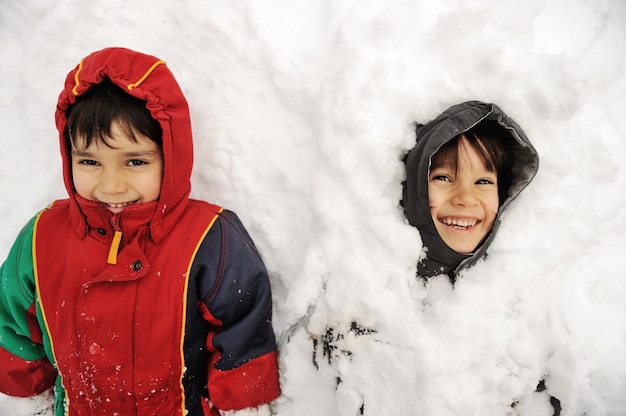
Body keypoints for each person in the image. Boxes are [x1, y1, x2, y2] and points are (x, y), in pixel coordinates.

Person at [0, 47, 280, 416]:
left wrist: (240, 397)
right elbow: (13, 320)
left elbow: (242, 322)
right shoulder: (42, 238)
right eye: (89, 161)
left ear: (171, 155)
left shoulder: (207, 236)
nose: (111, 185)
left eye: (135, 161)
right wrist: (22, 383)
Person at [403, 100, 539, 280]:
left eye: (483, 181)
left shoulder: (521, 290)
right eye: (443, 178)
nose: (466, 198)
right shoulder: (371, 291)